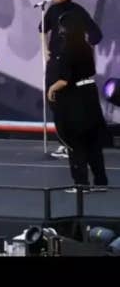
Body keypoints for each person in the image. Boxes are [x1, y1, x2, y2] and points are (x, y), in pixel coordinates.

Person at [41, 0, 103, 159]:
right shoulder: (51, 10)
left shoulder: (77, 11)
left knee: (70, 104)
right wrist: (45, 50)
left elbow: (96, 35)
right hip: (55, 63)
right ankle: (65, 143)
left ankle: (73, 144)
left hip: (71, 64)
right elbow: (42, 29)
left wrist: (83, 51)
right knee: (53, 101)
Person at [47, 11, 108, 193]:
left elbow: (64, 80)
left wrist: (52, 88)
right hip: (90, 95)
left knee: (76, 142)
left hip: (75, 99)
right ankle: (101, 182)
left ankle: (81, 184)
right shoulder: (87, 47)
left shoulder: (67, 50)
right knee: (93, 142)